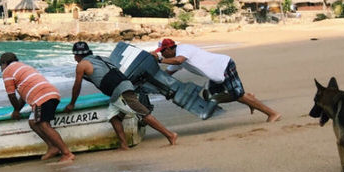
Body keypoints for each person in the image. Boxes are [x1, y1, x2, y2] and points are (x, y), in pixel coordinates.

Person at [64, 41, 177, 146]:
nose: (74, 59)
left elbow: (77, 86)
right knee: (113, 117)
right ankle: (123, 145)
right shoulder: (102, 58)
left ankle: (170, 135)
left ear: (77, 55)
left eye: (75, 56)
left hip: (121, 91)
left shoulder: (82, 65)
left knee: (143, 114)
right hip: (122, 88)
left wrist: (72, 103)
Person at [153, 38, 281, 122]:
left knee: (238, 95)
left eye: (162, 52)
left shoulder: (183, 50)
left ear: (169, 49)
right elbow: (167, 73)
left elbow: (179, 60)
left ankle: (272, 113)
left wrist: (159, 60)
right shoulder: (176, 58)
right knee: (209, 97)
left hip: (224, 66)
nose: (162, 55)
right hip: (217, 75)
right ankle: (248, 98)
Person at [0, 52, 74, 163]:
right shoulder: (25, 67)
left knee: (43, 124)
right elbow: (24, 96)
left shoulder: (7, 72)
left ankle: (67, 153)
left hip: (41, 98)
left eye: (1, 66)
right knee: (33, 122)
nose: (1, 69)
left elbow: (11, 95)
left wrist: (16, 111)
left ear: (5, 63)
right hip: (51, 93)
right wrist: (17, 109)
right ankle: (53, 147)